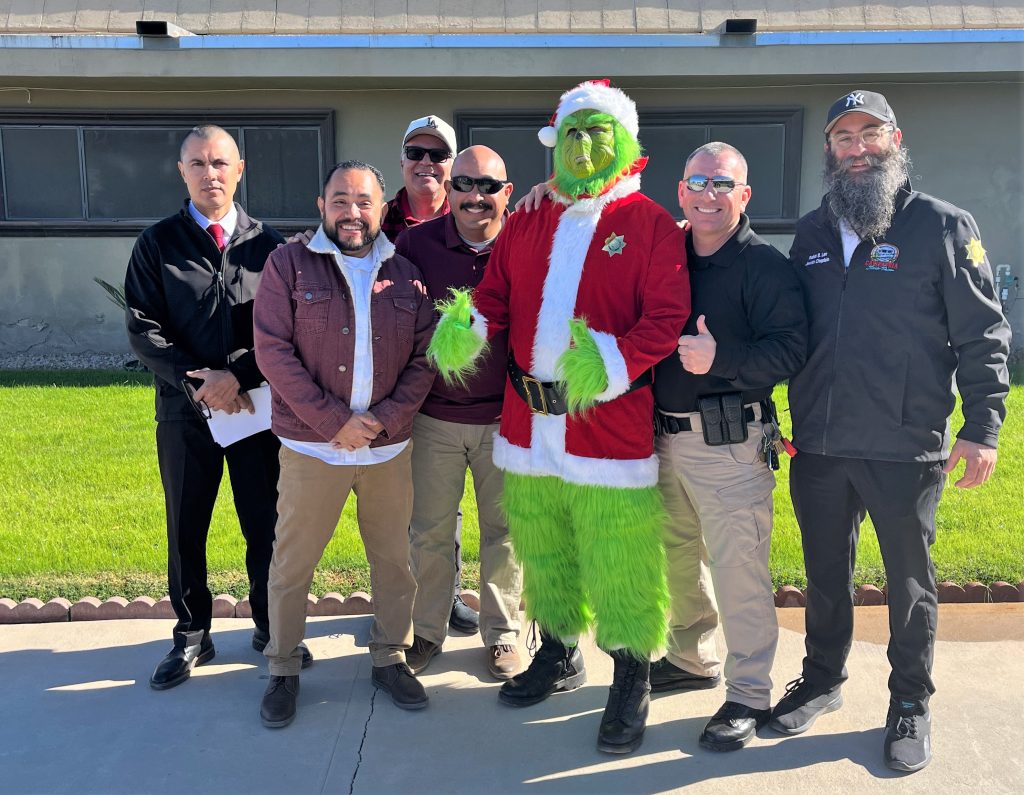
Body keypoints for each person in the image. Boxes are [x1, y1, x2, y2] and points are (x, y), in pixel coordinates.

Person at [428, 80, 690, 755]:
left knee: (619, 553)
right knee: (542, 547)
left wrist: (612, 361)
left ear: (625, 142)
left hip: (606, 426)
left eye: (597, 132)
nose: (583, 145)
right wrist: (468, 325)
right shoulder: (528, 219)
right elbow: (496, 293)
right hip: (528, 425)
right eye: (572, 132)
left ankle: (630, 672)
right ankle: (559, 649)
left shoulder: (650, 223)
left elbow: (666, 319)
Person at [770, 90, 1011, 773]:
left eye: (869, 134)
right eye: (843, 137)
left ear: (894, 141)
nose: (857, 149)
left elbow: (984, 333)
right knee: (825, 574)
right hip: (819, 443)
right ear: (829, 150)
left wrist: (983, 427)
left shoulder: (942, 225)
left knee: (909, 584)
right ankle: (823, 678)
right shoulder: (813, 234)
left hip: (905, 444)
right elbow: (789, 334)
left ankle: (910, 700)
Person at [125, 124, 312, 690]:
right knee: (186, 524)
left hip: (256, 409)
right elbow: (143, 328)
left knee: (265, 523)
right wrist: (201, 385)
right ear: (182, 172)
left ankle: (271, 626)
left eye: (220, 163)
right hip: (184, 412)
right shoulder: (157, 244)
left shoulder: (270, 248)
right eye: (198, 164)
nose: (211, 174)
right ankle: (191, 634)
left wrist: (237, 378)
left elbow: (288, 330)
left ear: (240, 170)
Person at [253, 160, 436, 728]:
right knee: (293, 563)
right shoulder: (287, 265)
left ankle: (390, 656)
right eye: (340, 200)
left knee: (394, 561)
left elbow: (426, 360)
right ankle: (283, 666)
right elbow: (272, 352)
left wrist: (382, 420)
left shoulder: (407, 276)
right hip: (313, 449)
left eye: (363, 202)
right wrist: (335, 422)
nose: (352, 213)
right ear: (321, 205)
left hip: (386, 450)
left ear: (382, 209)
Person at [651, 142, 807, 751]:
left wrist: (723, 358)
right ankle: (692, 658)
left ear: (744, 195)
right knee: (678, 559)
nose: (708, 195)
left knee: (738, 570)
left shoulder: (764, 267)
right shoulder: (667, 254)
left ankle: (749, 693)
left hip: (730, 444)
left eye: (722, 184)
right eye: (698, 182)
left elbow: (792, 350)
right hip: (661, 436)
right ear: (680, 191)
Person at [394, 146, 524, 681]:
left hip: (507, 419)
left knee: (505, 531)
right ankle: (426, 631)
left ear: (507, 193)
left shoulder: (526, 242)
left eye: (489, 186)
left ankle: (503, 633)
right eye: (465, 184)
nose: (476, 196)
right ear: (449, 189)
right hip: (434, 418)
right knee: (428, 531)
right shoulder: (416, 244)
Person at [381, 113, 480, 634]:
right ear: (402, 161)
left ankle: (445, 597)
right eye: (415, 153)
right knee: (402, 505)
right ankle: (403, 603)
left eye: (438, 155)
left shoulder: (474, 214)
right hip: (395, 388)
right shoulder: (376, 220)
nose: (426, 162)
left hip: (458, 397)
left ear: (453, 166)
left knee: (444, 509)